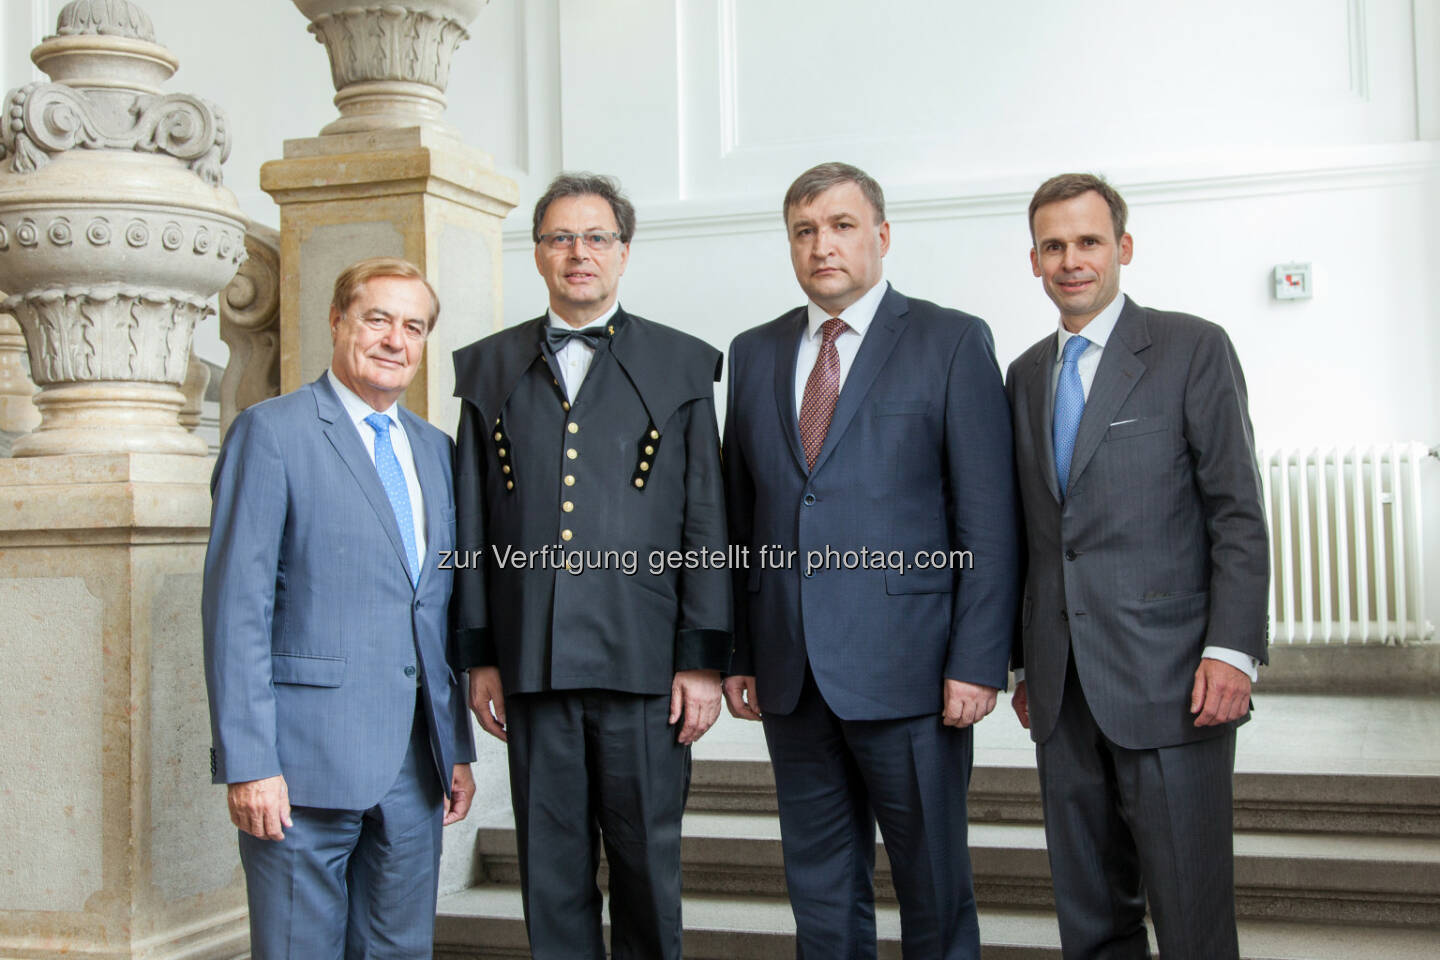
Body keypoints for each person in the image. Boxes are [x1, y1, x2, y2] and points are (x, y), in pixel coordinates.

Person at [722, 161, 1021, 959]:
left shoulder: (950, 339)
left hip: (915, 672)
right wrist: (742, 652)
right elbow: (740, 518)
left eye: (843, 226)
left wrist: (979, 661)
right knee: (819, 890)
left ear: (881, 237)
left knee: (933, 887)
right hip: (792, 674)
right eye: (805, 230)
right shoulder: (752, 353)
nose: (824, 245)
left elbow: (987, 520)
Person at [451, 172, 731, 960]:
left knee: (647, 870)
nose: (579, 253)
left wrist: (702, 661)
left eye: (596, 237)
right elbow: (471, 529)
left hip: (646, 668)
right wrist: (479, 657)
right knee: (551, 872)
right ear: (538, 254)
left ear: (624, 252)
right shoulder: (483, 371)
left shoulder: (682, 365)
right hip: (532, 665)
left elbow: (707, 523)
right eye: (560, 238)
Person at [1007, 173, 1269, 960]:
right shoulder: (1024, 376)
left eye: (1088, 241)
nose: (1071, 260)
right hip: (1061, 692)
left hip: (1174, 678)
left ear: (1122, 248)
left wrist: (1233, 649)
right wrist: (1023, 665)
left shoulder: (1191, 348)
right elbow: (1031, 533)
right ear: (1033, 260)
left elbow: (1237, 511)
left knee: (1189, 914)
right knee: (1090, 917)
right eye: (1054, 245)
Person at [202, 257, 476, 958]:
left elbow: (438, 612)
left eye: (413, 326)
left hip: (415, 771)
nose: (395, 339)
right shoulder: (273, 434)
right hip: (300, 768)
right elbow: (237, 611)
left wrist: (455, 750)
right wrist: (248, 762)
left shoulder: (436, 451)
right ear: (337, 320)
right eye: (377, 318)